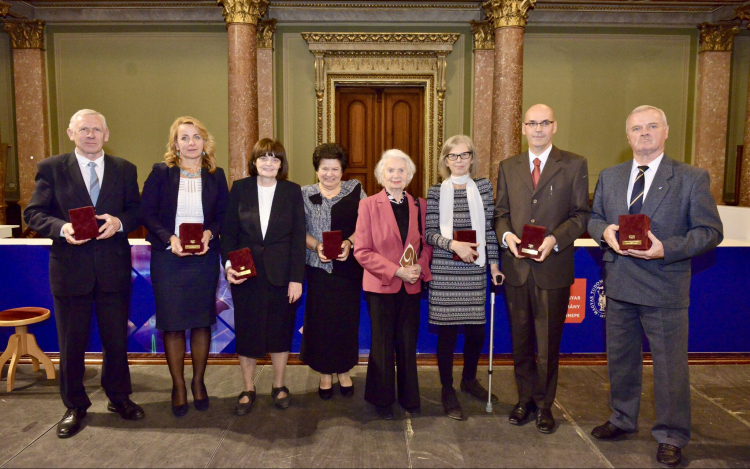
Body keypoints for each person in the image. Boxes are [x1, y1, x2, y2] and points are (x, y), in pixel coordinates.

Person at [587, 105, 723, 467]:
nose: (643, 133)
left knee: (669, 367)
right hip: (618, 284)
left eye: (651, 127)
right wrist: (604, 232)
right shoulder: (610, 176)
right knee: (621, 361)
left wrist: (667, 248)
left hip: (664, 286)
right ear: (627, 135)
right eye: (636, 128)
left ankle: (671, 434)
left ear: (665, 132)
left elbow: (710, 232)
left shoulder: (691, 178)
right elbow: (595, 217)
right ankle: (621, 419)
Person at [24, 109, 144, 438]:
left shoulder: (124, 169)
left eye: (96, 130)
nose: (90, 135)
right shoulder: (51, 168)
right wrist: (62, 228)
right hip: (70, 270)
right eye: (83, 129)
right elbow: (33, 212)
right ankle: (75, 405)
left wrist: (120, 223)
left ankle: (119, 398)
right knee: (71, 343)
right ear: (71, 133)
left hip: (112, 270)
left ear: (107, 135)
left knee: (116, 341)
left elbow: (136, 210)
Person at [493, 104, 590, 433]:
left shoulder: (574, 164)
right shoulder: (508, 166)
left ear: (554, 126)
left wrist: (554, 240)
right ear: (523, 128)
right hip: (517, 268)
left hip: (553, 267)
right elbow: (501, 212)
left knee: (548, 344)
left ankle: (545, 405)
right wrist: (507, 237)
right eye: (532, 123)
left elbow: (581, 215)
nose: (538, 128)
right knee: (520, 341)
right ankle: (525, 399)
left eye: (544, 122)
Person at [141, 116, 229, 416]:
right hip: (168, 258)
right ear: (175, 144)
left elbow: (223, 215)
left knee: (202, 321)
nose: (191, 142)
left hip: (204, 257)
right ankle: (178, 386)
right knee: (173, 324)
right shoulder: (161, 173)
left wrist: (209, 233)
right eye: (184, 137)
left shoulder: (216, 175)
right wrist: (170, 239)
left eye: (196, 137)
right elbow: (147, 214)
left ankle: (198, 382)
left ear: (205, 143)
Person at [221, 138, 305, 415]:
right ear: (254, 162)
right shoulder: (240, 189)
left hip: (282, 276)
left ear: (281, 165)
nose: (269, 163)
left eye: (275, 159)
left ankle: (279, 386)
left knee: (281, 333)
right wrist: (229, 266)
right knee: (247, 333)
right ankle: (248, 388)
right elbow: (229, 233)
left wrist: (297, 278)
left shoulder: (292, 191)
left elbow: (296, 238)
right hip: (247, 275)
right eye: (264, 158)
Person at [425, 135, 503, 421]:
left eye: (463, 155)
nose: (458, 161)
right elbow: (429, 233)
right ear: (445, 160)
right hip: (445, 270)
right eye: (452, 156)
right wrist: (453, 245)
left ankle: (469, 379)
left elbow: (490, 231)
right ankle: (447, 389)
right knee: (446, 334)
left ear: (472, 157)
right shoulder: (435, 191)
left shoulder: (483, 188)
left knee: (476, 331)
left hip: (474, 269)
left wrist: (494, 265)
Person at [353, 149, 433, 420]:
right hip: (381, 285)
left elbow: (426, 245)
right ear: (381, 175)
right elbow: (362, 251)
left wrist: (418, 268)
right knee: (383, 343)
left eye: (401, 170)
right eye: (391, 170)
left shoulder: (420, 205)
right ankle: (382, 398)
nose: (396, 175)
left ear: (409, 175)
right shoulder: (368, 205)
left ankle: (410, 397)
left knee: (408, 342)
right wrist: (397, 271)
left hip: (411, 285)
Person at [300, 143, 365, 399]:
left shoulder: (356, 190)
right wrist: (315, 246)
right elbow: (298, 229)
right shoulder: (304, 193)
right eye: (324, 168)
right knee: (320, 321)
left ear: (342, 170)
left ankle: (344, 371)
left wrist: (350, 242)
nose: (329, 174)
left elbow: (366, 224)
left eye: (334, 168)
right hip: (317, 268)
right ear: (316, 170)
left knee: (345, 321)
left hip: (347, 268)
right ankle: (325, 373)